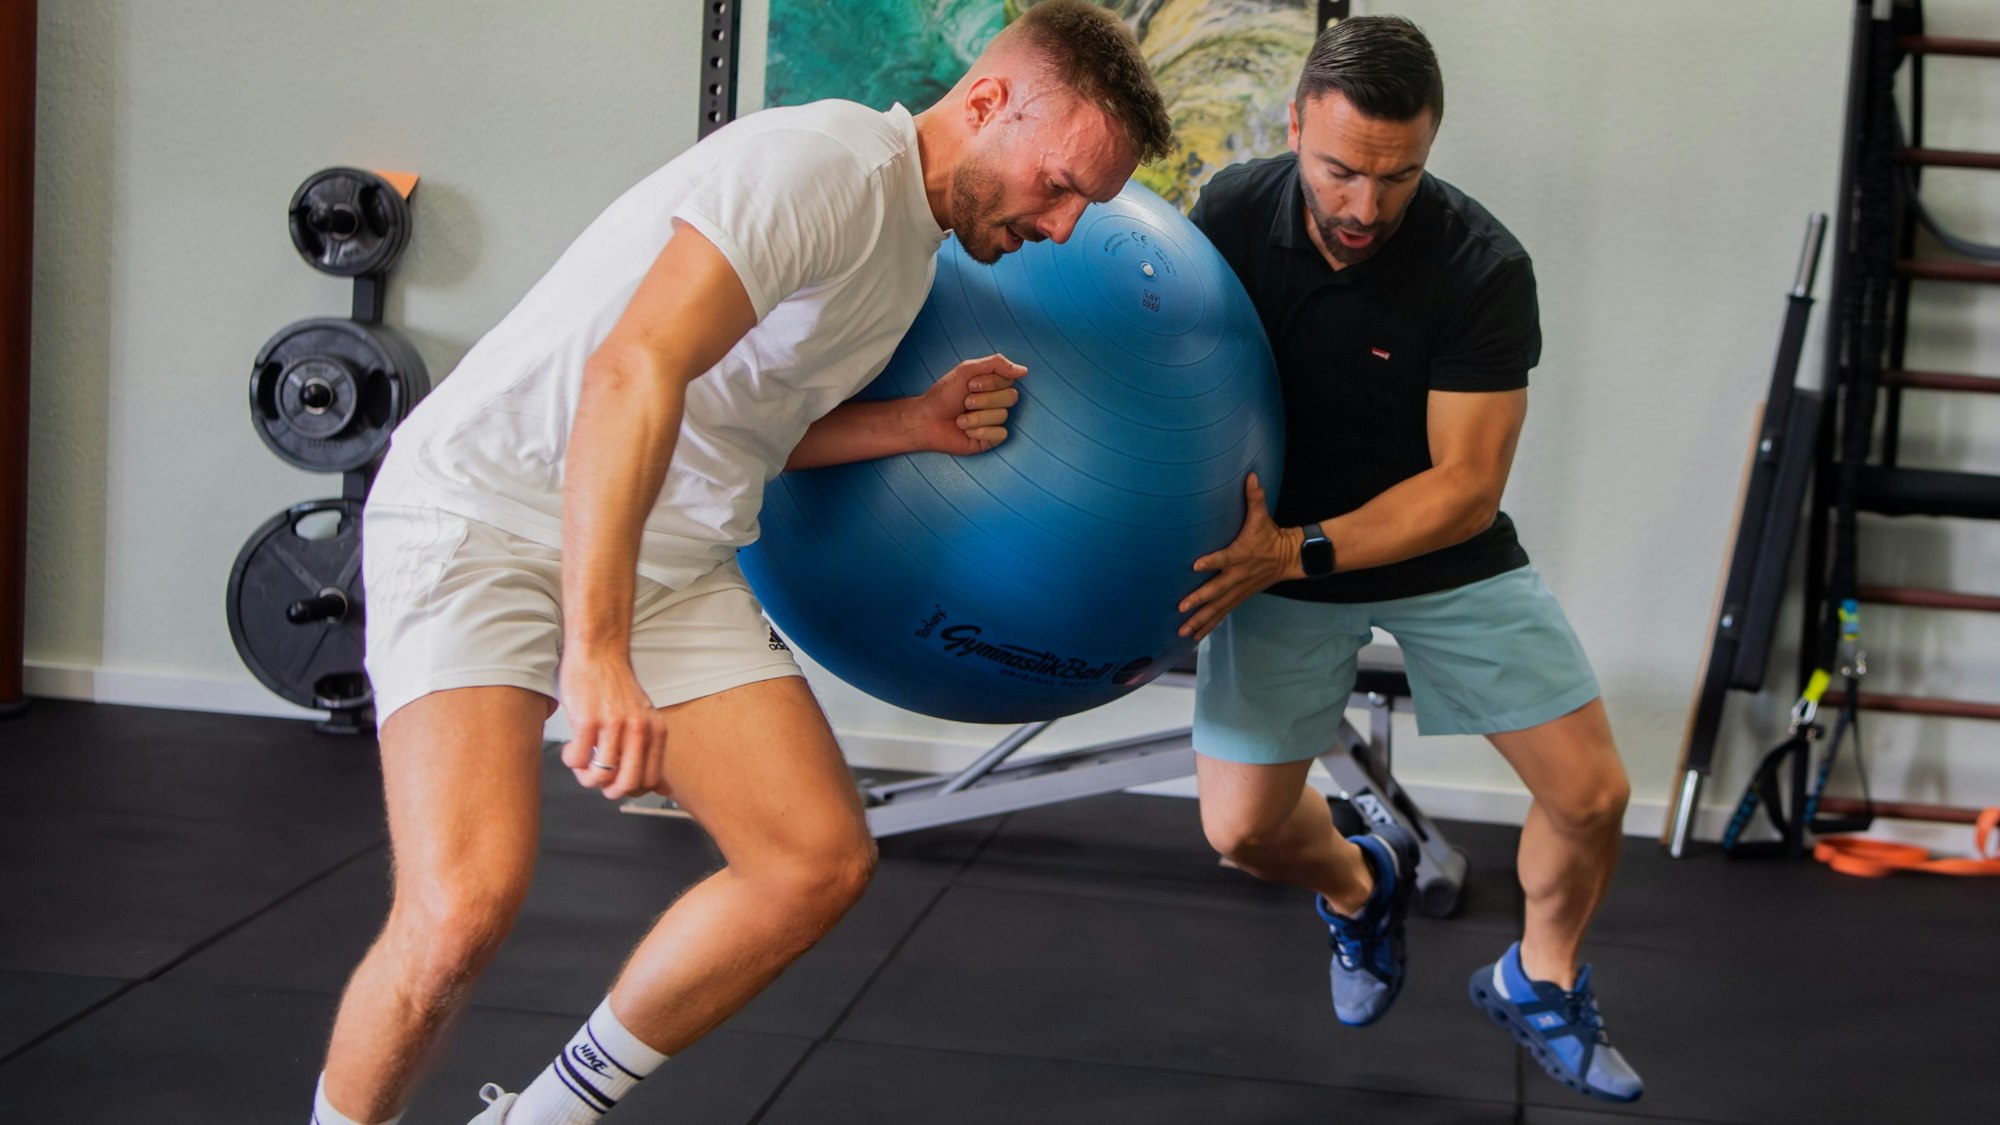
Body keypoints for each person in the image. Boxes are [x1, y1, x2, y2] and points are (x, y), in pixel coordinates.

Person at [306, 5, 1174, 1124]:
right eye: (1058, 185)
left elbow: (737, 424)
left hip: (668, 544)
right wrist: (600, 652)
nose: (1060, 228)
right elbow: (636, 369)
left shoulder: (908, 249)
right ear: (989, 101)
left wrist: (907, 426)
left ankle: (538, 1118)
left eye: (1081, 207)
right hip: (486, 513)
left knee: (812, 860)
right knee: (459, 912)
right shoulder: (819, 168)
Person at [1175, 15, 1643, 1103]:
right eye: (1339, 170)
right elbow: (1174, 376)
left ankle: (1538, 977)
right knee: (1241, 831)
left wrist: (1294, 550)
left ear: (1428, 148)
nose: (1363, 208)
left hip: (1436, 553)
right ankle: (1358, 879)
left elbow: (1462, 488)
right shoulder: (1231, 212)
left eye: (1398, 177)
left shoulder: (1482, 268)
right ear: (1292, 125)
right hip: (1276, 558)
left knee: (1591, 795)